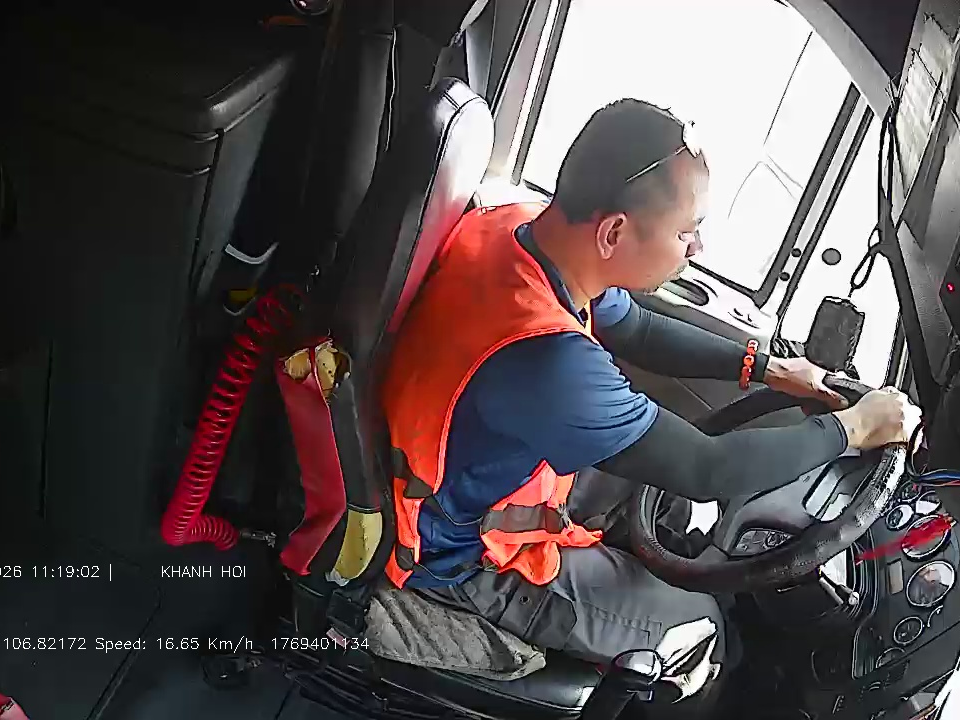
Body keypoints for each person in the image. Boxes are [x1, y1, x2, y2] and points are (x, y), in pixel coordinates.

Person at [379, 99, 922, 679]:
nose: (697, 249)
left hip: (486, 467)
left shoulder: (522, 227)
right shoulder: (547, 360)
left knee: (666, 501)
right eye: (688, 231)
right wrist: (855, 427)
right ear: (613, 231)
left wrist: (764, 367)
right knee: (700, 628)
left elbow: (634, 327)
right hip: (461, 557)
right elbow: (709, 468)